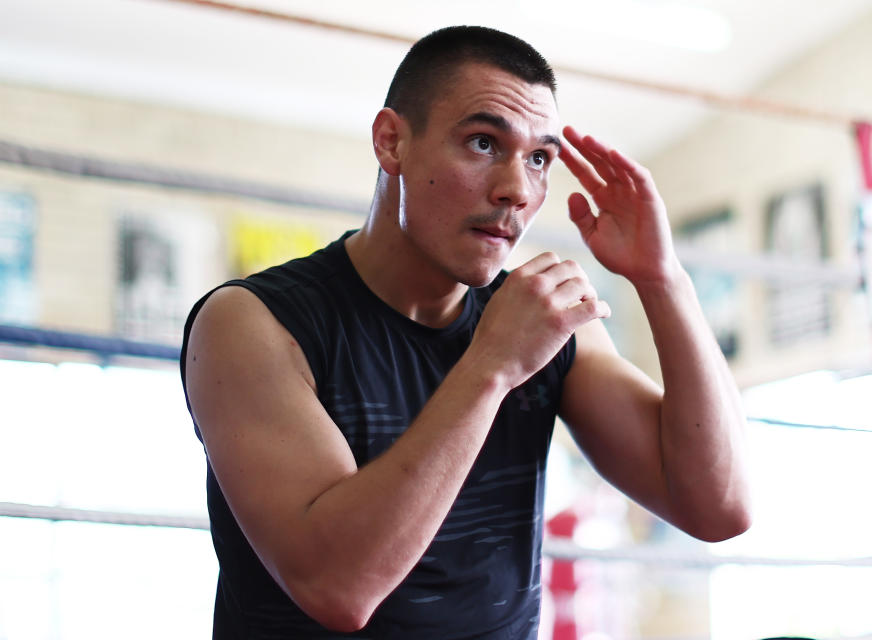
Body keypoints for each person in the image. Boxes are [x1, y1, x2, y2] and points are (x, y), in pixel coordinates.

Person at [180, 25, 751, 639]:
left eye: (539, 158)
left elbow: (719, 509)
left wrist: (664, 280)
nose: (518, 189)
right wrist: (492, 367)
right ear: (392, 142)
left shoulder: (548, 328)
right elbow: (336, 586)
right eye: (483, 142)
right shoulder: (251, 322)